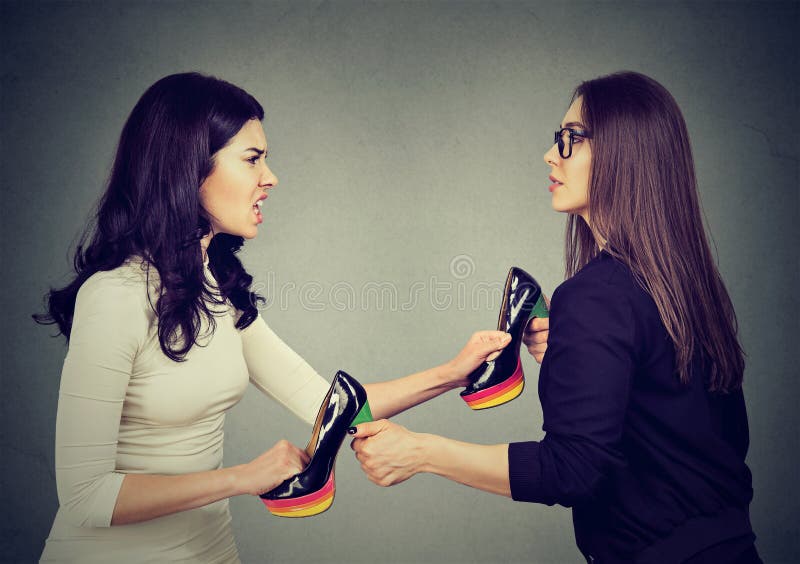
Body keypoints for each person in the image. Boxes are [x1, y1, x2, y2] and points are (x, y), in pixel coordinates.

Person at [34, 72, 511, 562]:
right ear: (189, 167)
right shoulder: (113, 296)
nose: (271, 177)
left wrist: (453, 373)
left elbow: (327, 404)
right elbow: (84, 495)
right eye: (252, 159)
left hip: (211, 551)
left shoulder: (214, 286)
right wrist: (241, 478)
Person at [350, 71, 760, 564]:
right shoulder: (688, 284)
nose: (551, 154)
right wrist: (575, 366)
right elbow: (693, 432)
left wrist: (422, 453)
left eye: (572, 139)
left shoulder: (594, 296)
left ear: (623, 153)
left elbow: (573, 469)